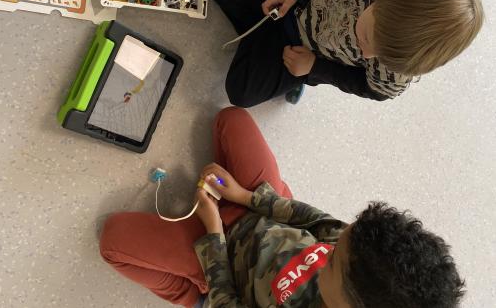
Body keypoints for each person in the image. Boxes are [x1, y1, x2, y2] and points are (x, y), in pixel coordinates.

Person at [100, 107, 464, 307]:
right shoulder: (358, 250)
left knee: (114, 240)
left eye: (332, 261)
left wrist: (213, 235)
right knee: (232, 119)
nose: (330, 248)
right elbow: (317, 221)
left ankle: (193, 296)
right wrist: (246, 196)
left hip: (220, 267)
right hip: (262, 213)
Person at [208, 0, 484, 106]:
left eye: (377, 57)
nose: (367, 55)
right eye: (366, 38)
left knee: (240, 93)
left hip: (305, 51)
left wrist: (315, 68)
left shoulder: (398, 71)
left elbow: (372, 88)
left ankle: (273, 52)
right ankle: (265, 29)